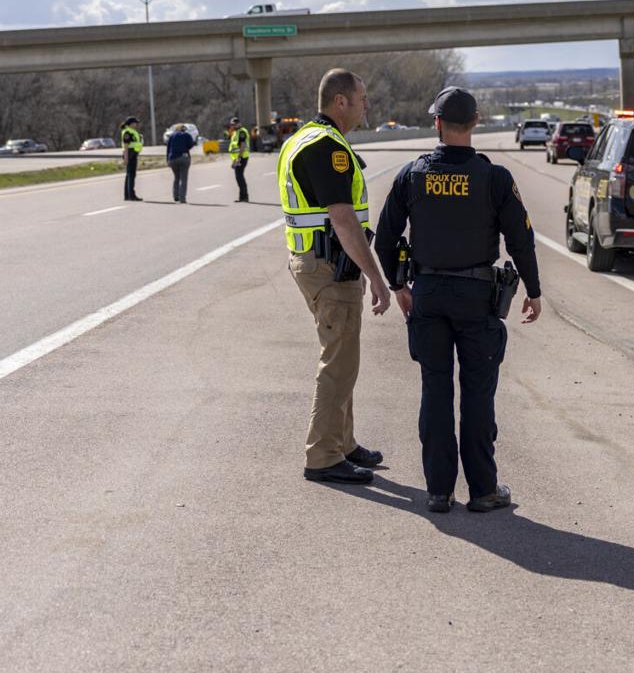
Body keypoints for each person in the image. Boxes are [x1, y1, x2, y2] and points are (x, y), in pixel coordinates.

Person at [373, 86, 542, 514]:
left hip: (427, 294)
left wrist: (399, 286)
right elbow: (521, 240)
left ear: (436, 124)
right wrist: (534, 291)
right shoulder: (494, 177)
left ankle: (438, 491)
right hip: (476, 297)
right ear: (476, 123)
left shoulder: (413, 174)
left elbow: (387, 236)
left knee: (435, 390)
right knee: (478, 395)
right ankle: (483, 490)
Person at [278, 68, 392, 485]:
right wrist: (377, 279)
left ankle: (343, 442)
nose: (366, 105)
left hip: (314, 261)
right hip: (329, 266)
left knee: (344, 357)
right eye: (361, 98)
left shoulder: (304, 137)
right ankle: (323, 455)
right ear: (340, 101)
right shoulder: (328, 148)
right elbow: (343, 220)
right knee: (338, 361)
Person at [164, 123, 195, 203]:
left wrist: (168, 160)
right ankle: (182, 198)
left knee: (176, 178)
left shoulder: (171, 137)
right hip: (184, 158)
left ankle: (175, 196)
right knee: (183, 179)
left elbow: (168, 149)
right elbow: (191, 145)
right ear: (183, 129)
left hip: (172, 159)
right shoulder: (187, 135)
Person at [226, 116, 250, 202]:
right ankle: (242, 197)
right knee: (239, 177)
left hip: (242, 157)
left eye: (235, 124)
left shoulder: (242, 132)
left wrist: (239, 158)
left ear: (239, 123)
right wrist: (233, 161)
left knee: (239, 176)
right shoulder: (235, 133)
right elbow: (234, 148)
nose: (233, 126)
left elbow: (242, 145)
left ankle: (244, 197)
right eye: (232, 124)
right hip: (238, 158)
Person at [120, 116, 144, 201]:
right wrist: (126, 157)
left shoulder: (132, 131)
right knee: (131, 175)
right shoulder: (127, 132)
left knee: (129, 175)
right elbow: (126, 145)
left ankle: (127, 195)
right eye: (135, 122)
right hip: (130, 154)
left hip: (132, 154)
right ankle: (131, 195)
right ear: (131, 123)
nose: (136, 124)